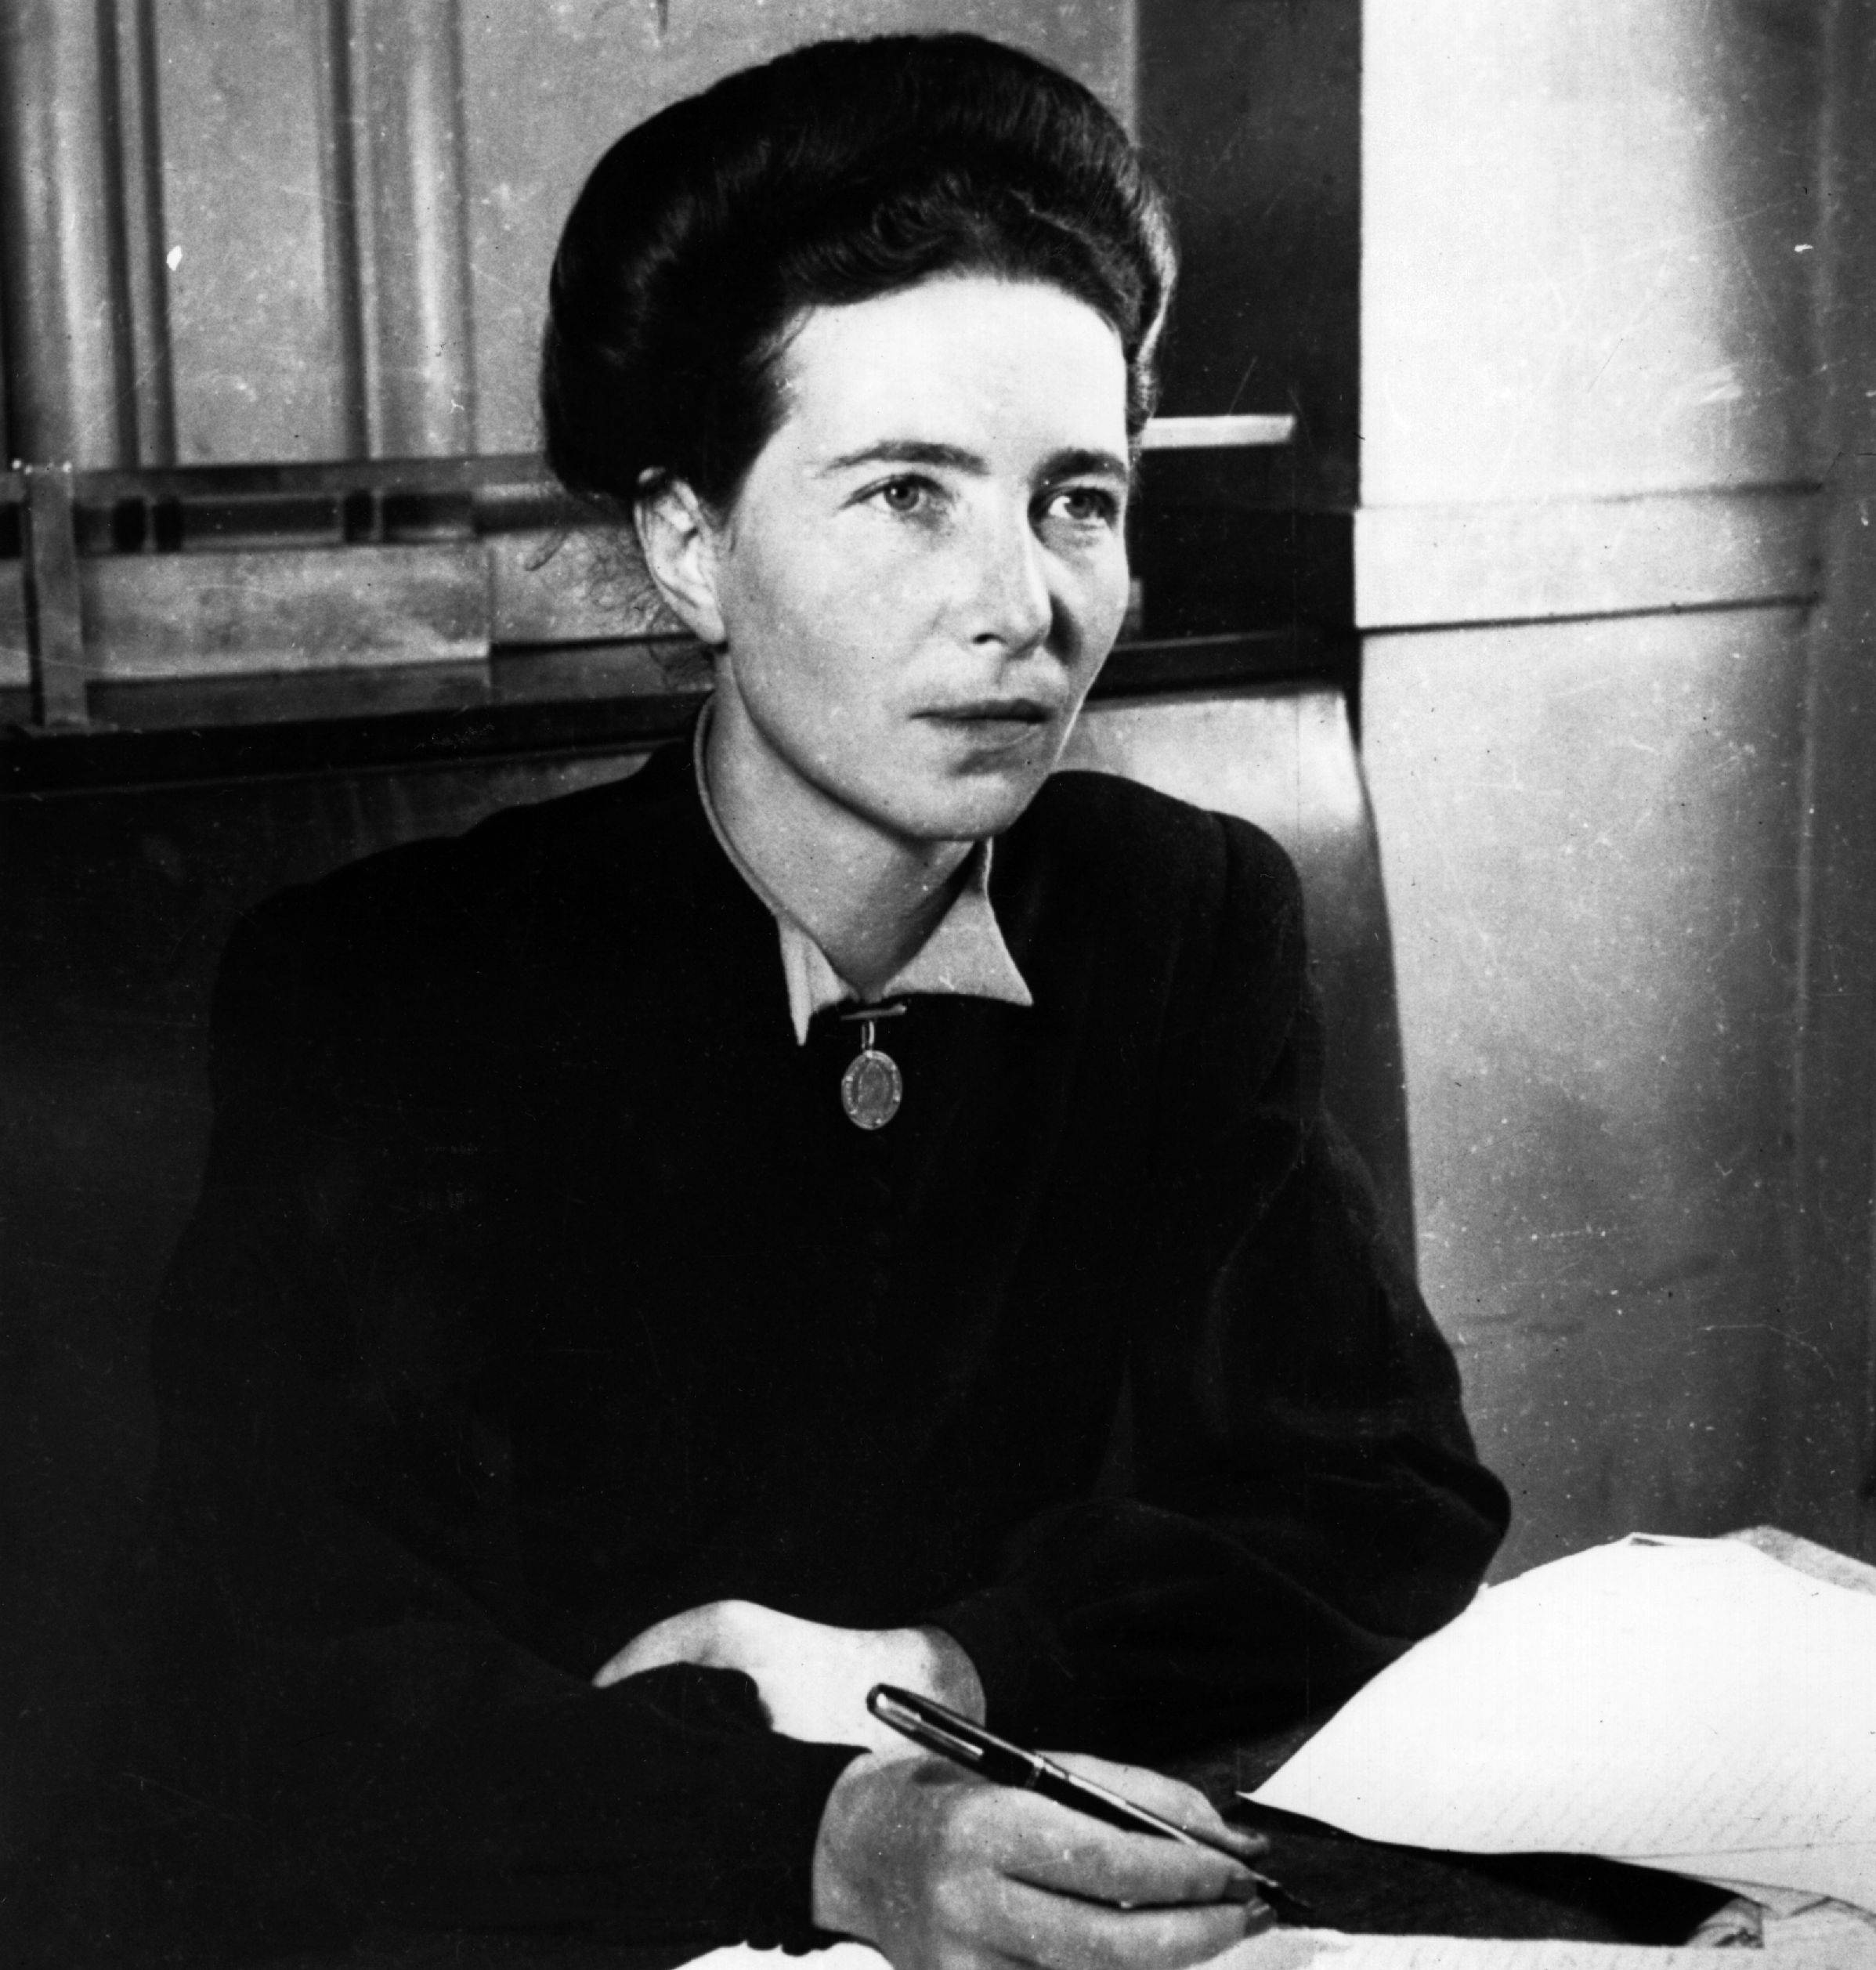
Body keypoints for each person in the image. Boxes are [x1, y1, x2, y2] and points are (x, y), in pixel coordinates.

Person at [27, 31, 1508, 1969]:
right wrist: (813, 1837)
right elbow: (268, 1681)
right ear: (690, 547)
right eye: (905, 495)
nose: (1020, 603)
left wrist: (947, 1667)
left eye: (1077, 499)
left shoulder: (1179, 917)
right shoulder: (391, 988)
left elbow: (1381, 1495)